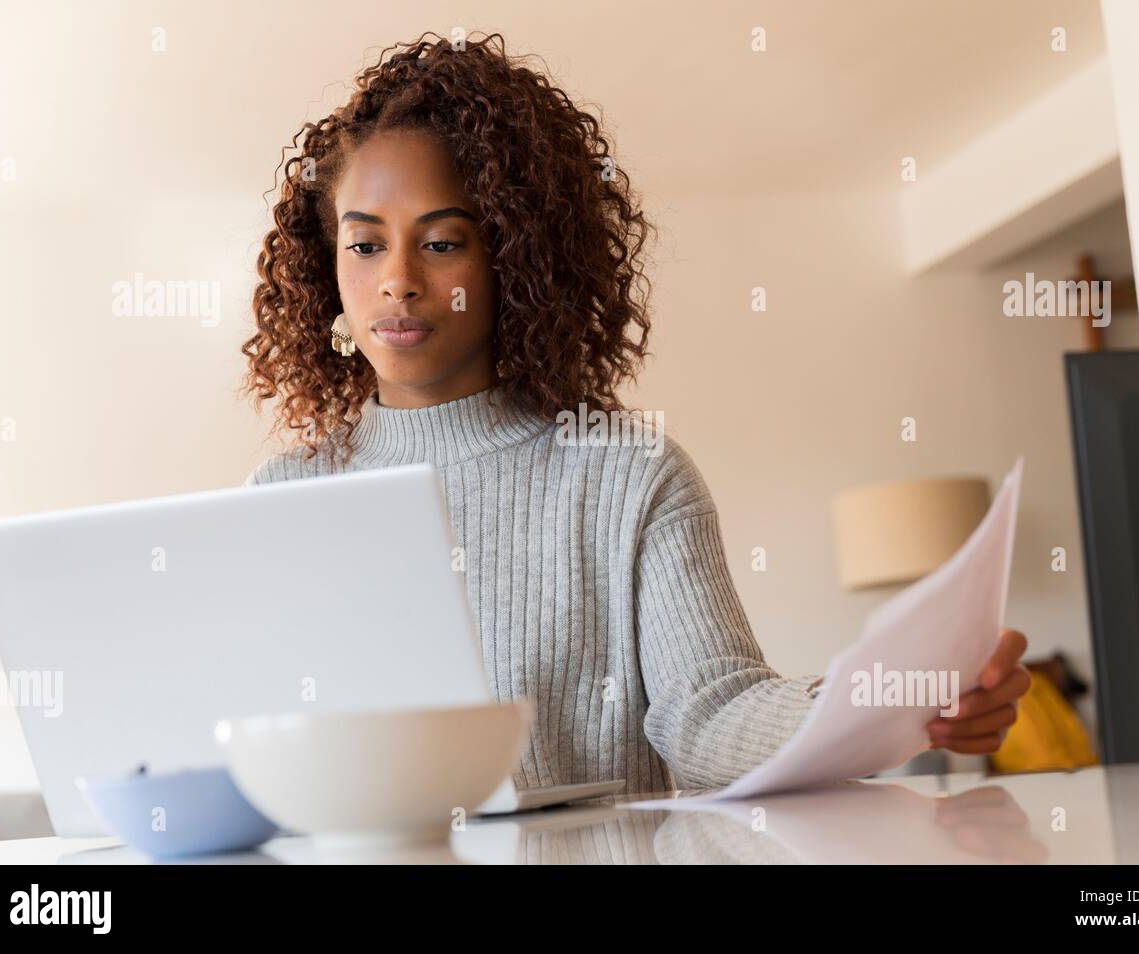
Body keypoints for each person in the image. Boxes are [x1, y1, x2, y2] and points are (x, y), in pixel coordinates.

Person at [239, 33, 1031, 794]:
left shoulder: (628, 475)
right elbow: (255, 751)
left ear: (514, 259)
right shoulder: (285, 497)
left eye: (443, 243)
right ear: (328, 265)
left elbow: (709, 714)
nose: (399, 280)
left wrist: (878, 702)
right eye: (366, 245)